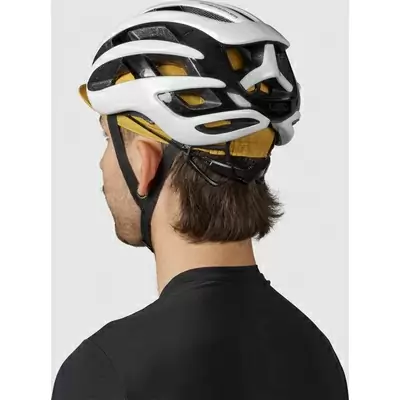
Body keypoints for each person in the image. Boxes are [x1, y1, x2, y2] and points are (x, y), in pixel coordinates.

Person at [52, 1, 349, 399]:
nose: (103, 162)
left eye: (109, 138)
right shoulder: (316, 354)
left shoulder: (107, 371)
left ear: (143, 162)